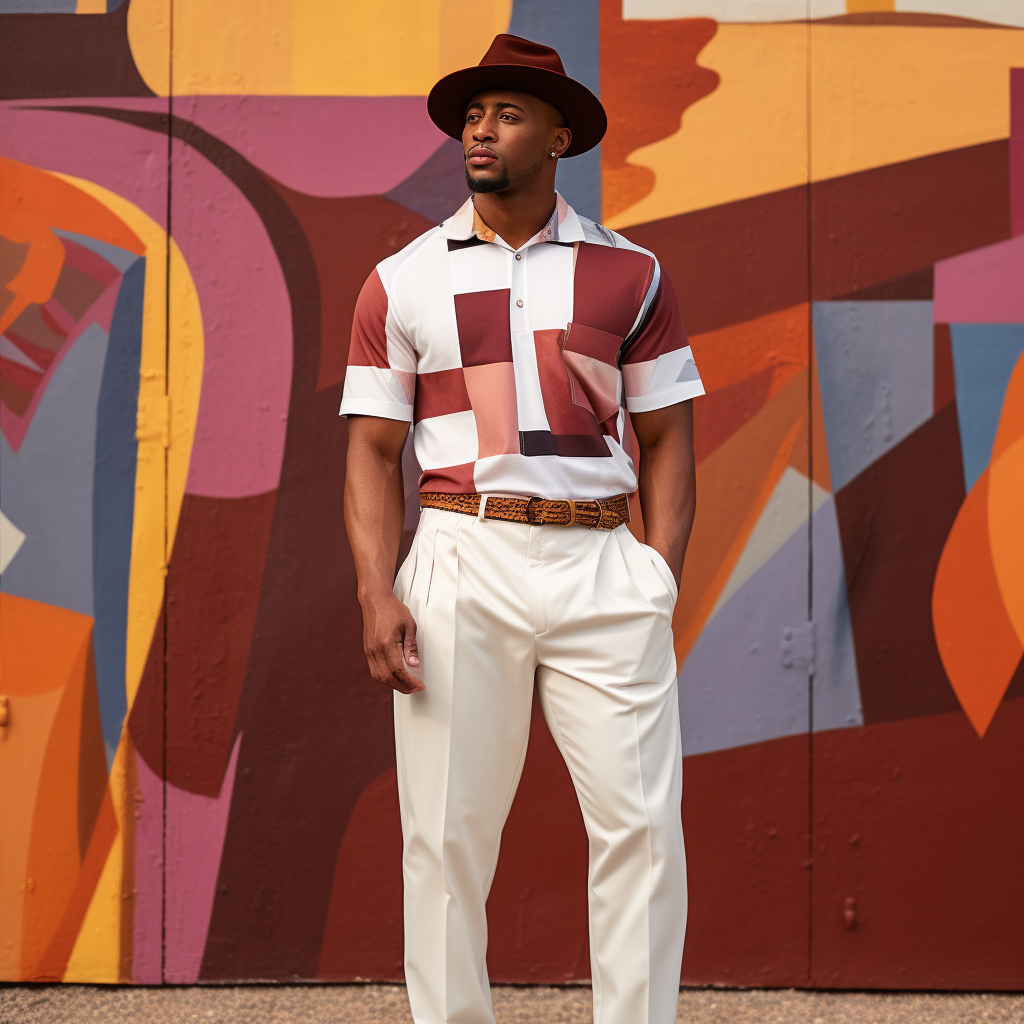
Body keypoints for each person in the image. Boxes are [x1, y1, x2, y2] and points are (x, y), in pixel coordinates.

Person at [340, 33, 704, 1024]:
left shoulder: (631, 273)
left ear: (558, 137)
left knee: (641, 828)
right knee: (446, 836)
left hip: (602, 564)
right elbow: (373, 453)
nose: (479, 129)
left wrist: (657, 576)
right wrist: (379, 590)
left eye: (504, 113)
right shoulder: (401, 278)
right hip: (460, 554)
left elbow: (670, 438)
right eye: (470, 115)